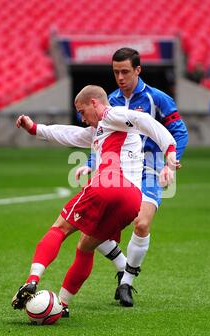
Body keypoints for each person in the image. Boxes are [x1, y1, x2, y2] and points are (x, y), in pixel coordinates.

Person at [11, 85, 177, 314]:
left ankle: (32, 280)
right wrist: (35, 129)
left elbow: (143, 119)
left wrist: (169, 150)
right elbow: (67, 134)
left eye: (82, 111)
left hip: (108, 185)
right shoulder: (101, 130)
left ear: (95, 103)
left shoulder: (111, 114)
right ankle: (62, 303)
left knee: (60, 228)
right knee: (86, 246)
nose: (81, 117)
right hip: (131, 201)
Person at [76, 48, 188, 307]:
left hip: (148, 168)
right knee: (92, 227)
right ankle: (121, 264)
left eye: (125, 71)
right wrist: (91, 163)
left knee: (141, 224)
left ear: (138, 70)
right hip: (117, 171)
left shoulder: (157, 98)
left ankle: (126, 282)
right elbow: (99, 138)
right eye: (115, 72)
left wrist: (170, 162)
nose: (120, 77)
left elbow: (178, 132)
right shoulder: (109, 101)